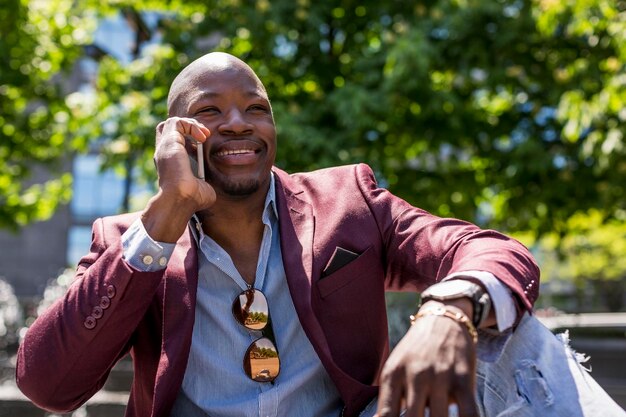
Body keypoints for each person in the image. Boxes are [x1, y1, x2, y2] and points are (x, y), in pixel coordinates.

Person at [16, 52, 624, 417]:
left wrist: (448, 310)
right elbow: (48, 384)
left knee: (511, 336)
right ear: (175, 136)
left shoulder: (346, 201)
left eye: (256, 108)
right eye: (210, 111)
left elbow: (491, 249)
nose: (239, 124)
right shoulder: (132, 240)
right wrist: (167, 214)